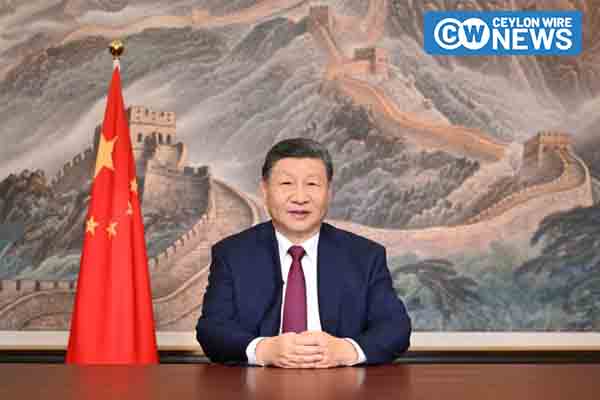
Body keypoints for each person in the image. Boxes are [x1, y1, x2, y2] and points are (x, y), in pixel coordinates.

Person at [196, 138, 411, 367]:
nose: (300, 197)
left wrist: (345, 351)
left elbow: (395, 328)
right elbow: (212, 329)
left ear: (329, 191)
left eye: (312, 184)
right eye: (287, 183)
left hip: (342, 381)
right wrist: (263, 350)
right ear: (265, 190)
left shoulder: (365, 256)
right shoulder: (232, 254)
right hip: (258, 381)